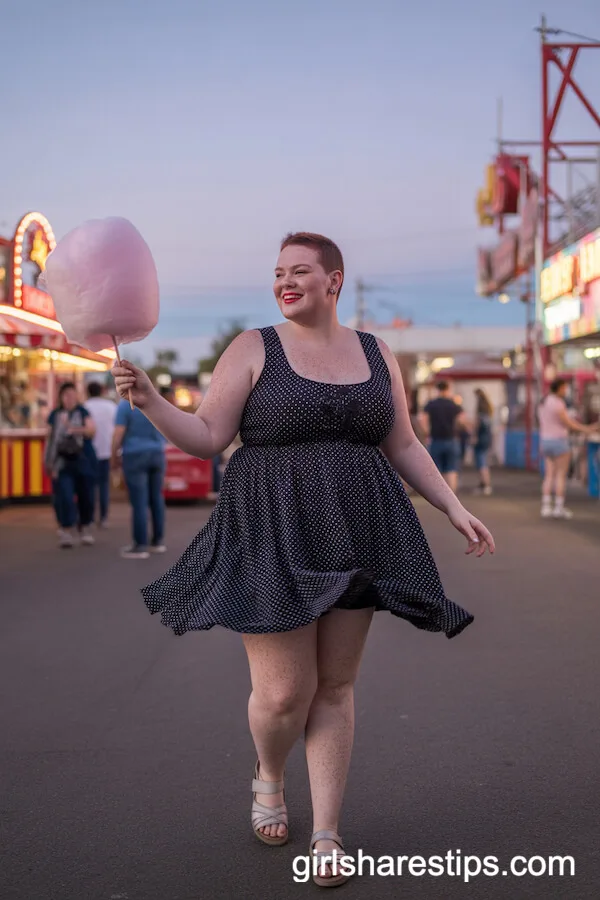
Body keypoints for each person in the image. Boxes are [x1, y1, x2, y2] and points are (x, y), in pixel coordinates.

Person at [112, 232, 494, 887]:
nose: (285, 282)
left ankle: (327, 832)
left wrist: (452, 506)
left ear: (334, 281)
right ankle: (269, 772)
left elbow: (401, 441)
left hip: (357, 529)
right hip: (272, 528)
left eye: (300, 272)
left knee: (337, 685)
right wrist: (149, 400)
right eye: (278, 273)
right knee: (284, 693)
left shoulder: (377, 353)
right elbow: (207, 438)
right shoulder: (254, 346)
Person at [111, 399, 167, 559]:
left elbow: (119, 432)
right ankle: (158, 541)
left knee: (139, 501)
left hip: (134, 454)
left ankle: (140, 545)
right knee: (156, 498)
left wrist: (113, 455)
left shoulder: (125, 405)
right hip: (157, 453)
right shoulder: (155, 402)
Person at [44, 382, 97, 548]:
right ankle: (66, 530)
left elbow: (91, 431)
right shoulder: (55, 414)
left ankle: (85, 526)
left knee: (86, 496)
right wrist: (48, 461)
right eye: (66, 395)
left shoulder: (83, 412)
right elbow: (49, 439)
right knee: (65, 496)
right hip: (62, 462)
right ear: (61, 397)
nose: (69, 398)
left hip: (82, 460)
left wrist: (72, 428)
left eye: (72, 394)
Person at [538, 378, 597, 519]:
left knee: (549, 475)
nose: (566, 391)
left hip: (545, 442)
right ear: (558, 388)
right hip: (559, 442)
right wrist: (588, 429)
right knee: (560, 475)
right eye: (564, 388)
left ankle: (546, 506)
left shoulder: (543, 402)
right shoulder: (558, 404)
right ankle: (558, 507)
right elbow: (569, 423)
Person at [421, 381, 467, 493]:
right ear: (448, 389)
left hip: (436, 439)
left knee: (437, 470)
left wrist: (427, 432)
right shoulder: (454, 405)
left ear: (437, 389)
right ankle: (452, 498)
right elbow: (462, 421)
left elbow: (422, 420)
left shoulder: (431, 404)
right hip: (451, 439)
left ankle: (439, 497)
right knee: (451, 469)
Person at [85, 381, 117, 527]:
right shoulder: (111, 407)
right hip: (107, 450)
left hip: (90, 452)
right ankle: (103, 518)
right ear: (102, 391)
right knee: (104, 486)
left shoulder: (85, 408)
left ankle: (90, 518)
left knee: (90, 486)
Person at [473, 388, 494, 496]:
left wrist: (474, 437)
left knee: (481, 463)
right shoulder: (489, 412)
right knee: (484, 462)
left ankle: (485, 485)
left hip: (480, 439)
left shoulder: (479, 415)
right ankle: (485, 484)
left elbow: (476, 427)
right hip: (487, 439)